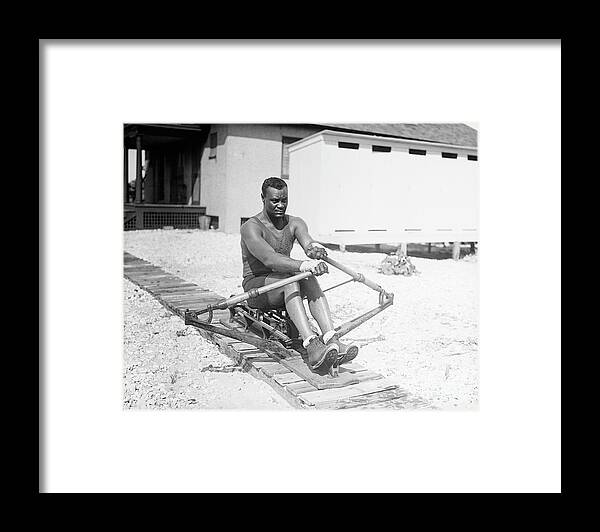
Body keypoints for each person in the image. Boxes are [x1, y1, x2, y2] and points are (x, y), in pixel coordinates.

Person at [240, 177, 358, 372]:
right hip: (258, 287)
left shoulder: (295, 223)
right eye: (274, 201)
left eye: (284, 200)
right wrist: (304, 265)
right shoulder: (250, 227)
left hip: (285, 282)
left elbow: (308, 244)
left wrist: (315, 250)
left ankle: (331, 338)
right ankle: (311, 344)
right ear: (262, 198)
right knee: (294, 277)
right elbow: (270, 259)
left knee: (305, 277)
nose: (280, 205)